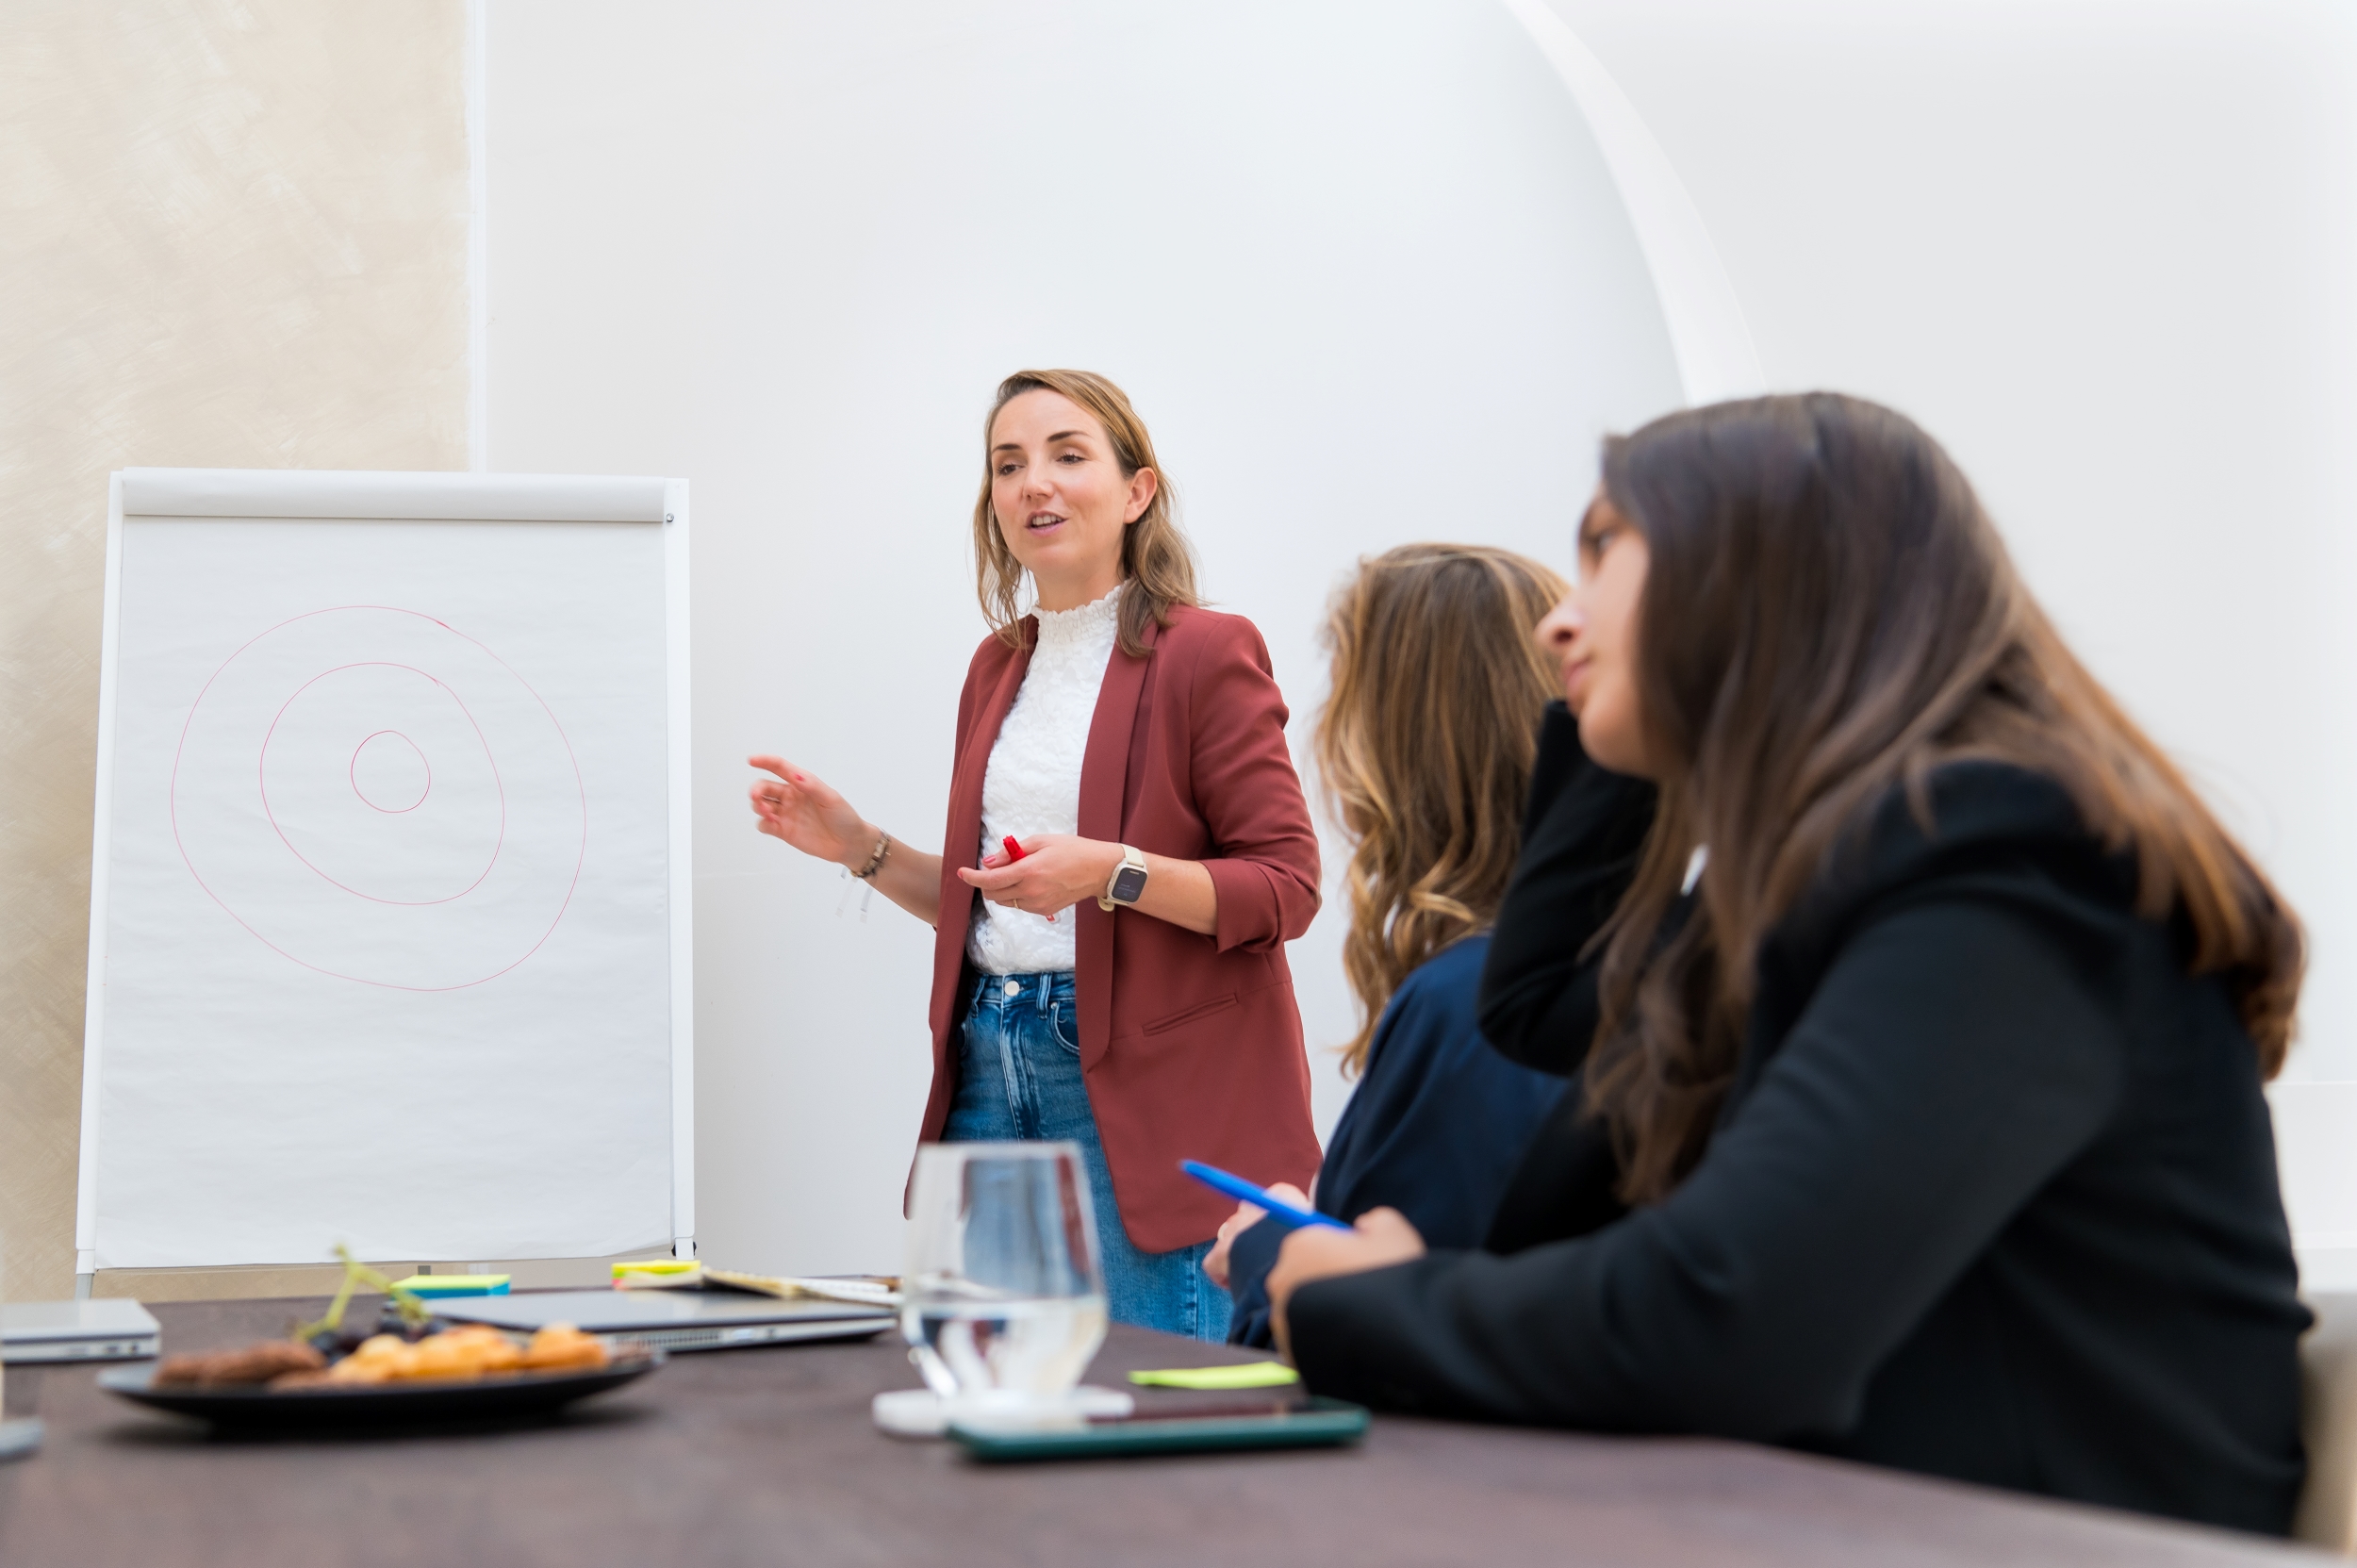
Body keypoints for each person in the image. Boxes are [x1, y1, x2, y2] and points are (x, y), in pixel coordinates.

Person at [1261, 393, 2311, 1533]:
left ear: (1758, 580)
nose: (1561, 620)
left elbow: (1727, 1313)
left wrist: (1375, 1302)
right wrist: (1627, 706)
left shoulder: (2007, 859)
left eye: (1609, 549)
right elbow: (1543, 1004)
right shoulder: (1835, 873)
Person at [748, 369, 1321, 1340]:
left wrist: (1111, 871)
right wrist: (860, 848)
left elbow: (1286, 888)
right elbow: (997, 903)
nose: (1032, 484)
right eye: (1007, 465)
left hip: (1143, 1089)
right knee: (988, 1391)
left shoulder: (1206, 652)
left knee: (1153, 1412)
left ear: (1137, 491)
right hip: (987, 1058)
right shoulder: (997, 665)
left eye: (1066, 455)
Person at [1204, 545, 1582, 1348]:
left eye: (1340, 697)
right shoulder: (1630, 960)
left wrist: (1273, 1258)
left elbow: (1374, 1342)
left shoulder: (1471, 1006)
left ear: (1387, 743)